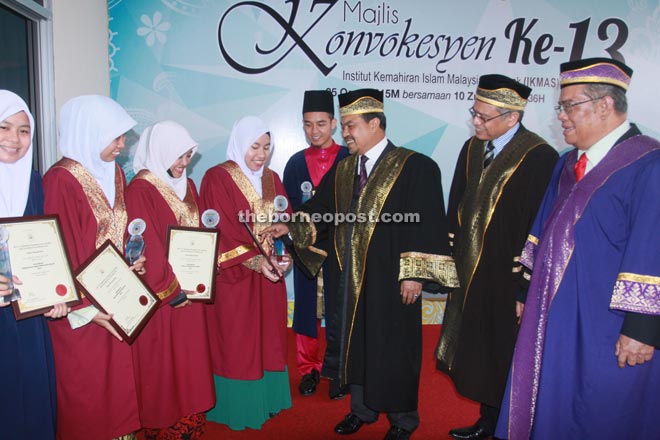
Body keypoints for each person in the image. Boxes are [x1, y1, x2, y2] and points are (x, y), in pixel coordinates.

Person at [263, 89, 458, 440]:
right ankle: (362, 410)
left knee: (395, 348)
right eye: (345, 126)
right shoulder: (345, 169)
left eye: (351, 125)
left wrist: (413, 274)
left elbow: (427, 222)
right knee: (357, 344)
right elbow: (320, 209)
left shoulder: (415, 166)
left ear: (375, 123)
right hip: (349, 278)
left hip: (393, 279)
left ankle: (402, 419)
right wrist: (289, 227)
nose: (345, 134)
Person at [495, 58, 660, 439]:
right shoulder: (567, 163)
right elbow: (543, 228)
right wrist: (526, 289)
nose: (562, 116)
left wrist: (644, 328)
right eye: (561, 106)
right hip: (556, 314)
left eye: (570, 105)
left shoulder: (648, 164)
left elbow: (653, 246)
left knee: (603, 409)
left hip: (611, 321)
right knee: (556, 399)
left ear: (605, 105)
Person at [434, 75, 558, 439]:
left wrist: (525, 286)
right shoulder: (472, 148)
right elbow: (455, 205)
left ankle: (508, 424)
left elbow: (541, 226)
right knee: (478, 350)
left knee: (505, 352)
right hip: (472, 271)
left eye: (484, 116)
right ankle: (488, 419)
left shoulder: (539, 157)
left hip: (507, 275)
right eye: (474, 112)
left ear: (512, 116)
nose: (476, 121)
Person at [43, 95, 144, 440]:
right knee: (88, 391)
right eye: (114, 136)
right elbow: (59, 254)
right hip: (82, 312)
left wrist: (133, 260)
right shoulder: (60, 180)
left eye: (123, 136)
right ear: (88, 132)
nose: (122, 144)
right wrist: (86, 307)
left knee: (119, 385)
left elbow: (118, 232)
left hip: (116, 298)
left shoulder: (114, 173)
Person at [199, 115, 293, 430]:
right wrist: (255, 261)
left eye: (267, 147)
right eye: (254, 146)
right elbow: (220, 227)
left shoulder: (273, 178)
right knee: (238, 339)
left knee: (270, 338)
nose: (260, 154)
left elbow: (284, 222)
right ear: (240, 143)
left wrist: (283, 255)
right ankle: (237, 407)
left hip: (270, 277)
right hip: (236, 276)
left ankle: (266, 400)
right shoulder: (217, 178)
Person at [125, 120, 215, 439]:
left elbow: (199, 232)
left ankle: (189, 416)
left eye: (188, 156)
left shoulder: (188, 185)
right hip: (165, 295)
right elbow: (144, 241)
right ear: (160, 151)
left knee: (189, 357)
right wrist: (171, 288)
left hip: (191, 288)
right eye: (178, 156)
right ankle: (162, 421)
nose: (183, 164)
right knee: (162, 360)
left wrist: (205, 266)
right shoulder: (140, 188)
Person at [0, 90, 69, 439]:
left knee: (33, 401)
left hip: (26, 314)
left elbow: (42, 244)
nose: (15, 139)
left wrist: (54, 292)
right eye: (5, 127)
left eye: (24, 131)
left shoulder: (32, 181)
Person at [282, 89, 349, 398]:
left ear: (334, 123)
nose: (314, 131)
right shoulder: (295, 164)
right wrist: (294, 245)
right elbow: (287, 211)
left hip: (341, 253)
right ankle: (308, 369)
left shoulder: (350, 158)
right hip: (306, 253)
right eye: (308, 124)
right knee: (307, 312)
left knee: (341, 310)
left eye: (321, 123)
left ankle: (338, 371)